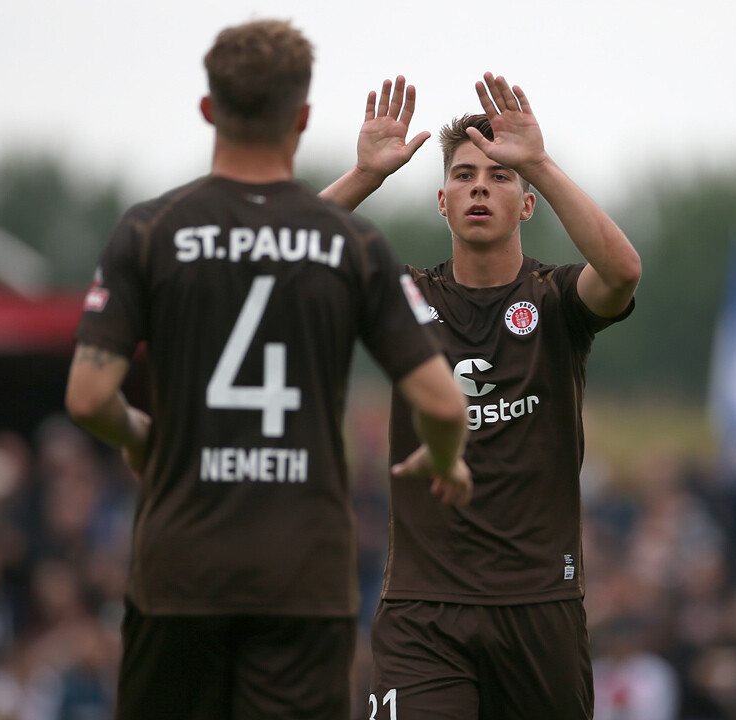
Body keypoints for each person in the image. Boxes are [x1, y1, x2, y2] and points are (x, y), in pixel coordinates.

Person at [64, 22, 472, 720]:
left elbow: (87, 396)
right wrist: (445, 458)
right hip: (302, 574)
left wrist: (139, 438)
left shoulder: (150, 230)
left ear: (209, 109)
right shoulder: (352, 244)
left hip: (179, 569)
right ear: (303, 118)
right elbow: (442, 404)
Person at [321, 73, 641, 719]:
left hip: (540, 606)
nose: (480, 188)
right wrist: (363, 176)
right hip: (423, 612)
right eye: (464, 176)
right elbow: (283, 263)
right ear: (443, 201)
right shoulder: (406, 296)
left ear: (527, 205)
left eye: (500, 177)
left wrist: (540, 162)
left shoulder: (557, 299)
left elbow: (622, 271)